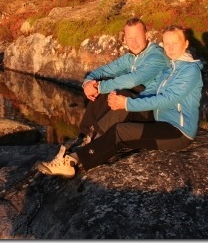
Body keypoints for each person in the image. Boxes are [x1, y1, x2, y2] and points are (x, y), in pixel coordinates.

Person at [36, 24, 203, 178]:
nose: (170, 48)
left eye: (175, 43)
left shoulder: (190, 70)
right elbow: (148, 89)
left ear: (186, 44)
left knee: (120, 131)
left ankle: (73, 160)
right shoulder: (171, 68)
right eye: (167, 43)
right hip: (159, 122)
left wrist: (126, 103)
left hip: (176, 132)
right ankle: (84, 139)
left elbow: (166, 99)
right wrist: (94, 84)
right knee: (118, 111)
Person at [68, 17, 168, 151]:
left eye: (137, 36)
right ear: (125, 39)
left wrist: (100, 87)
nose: (134, 42)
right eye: (129, 38)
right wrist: (87, 83)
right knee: (106, 91)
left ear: (146, 35)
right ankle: (84, 136)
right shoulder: (131, 57)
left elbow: (133, 80)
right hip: (136, 105)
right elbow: (104, 70)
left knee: (120, 94)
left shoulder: (156, 56)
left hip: (152, 110)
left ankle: (96, 143)